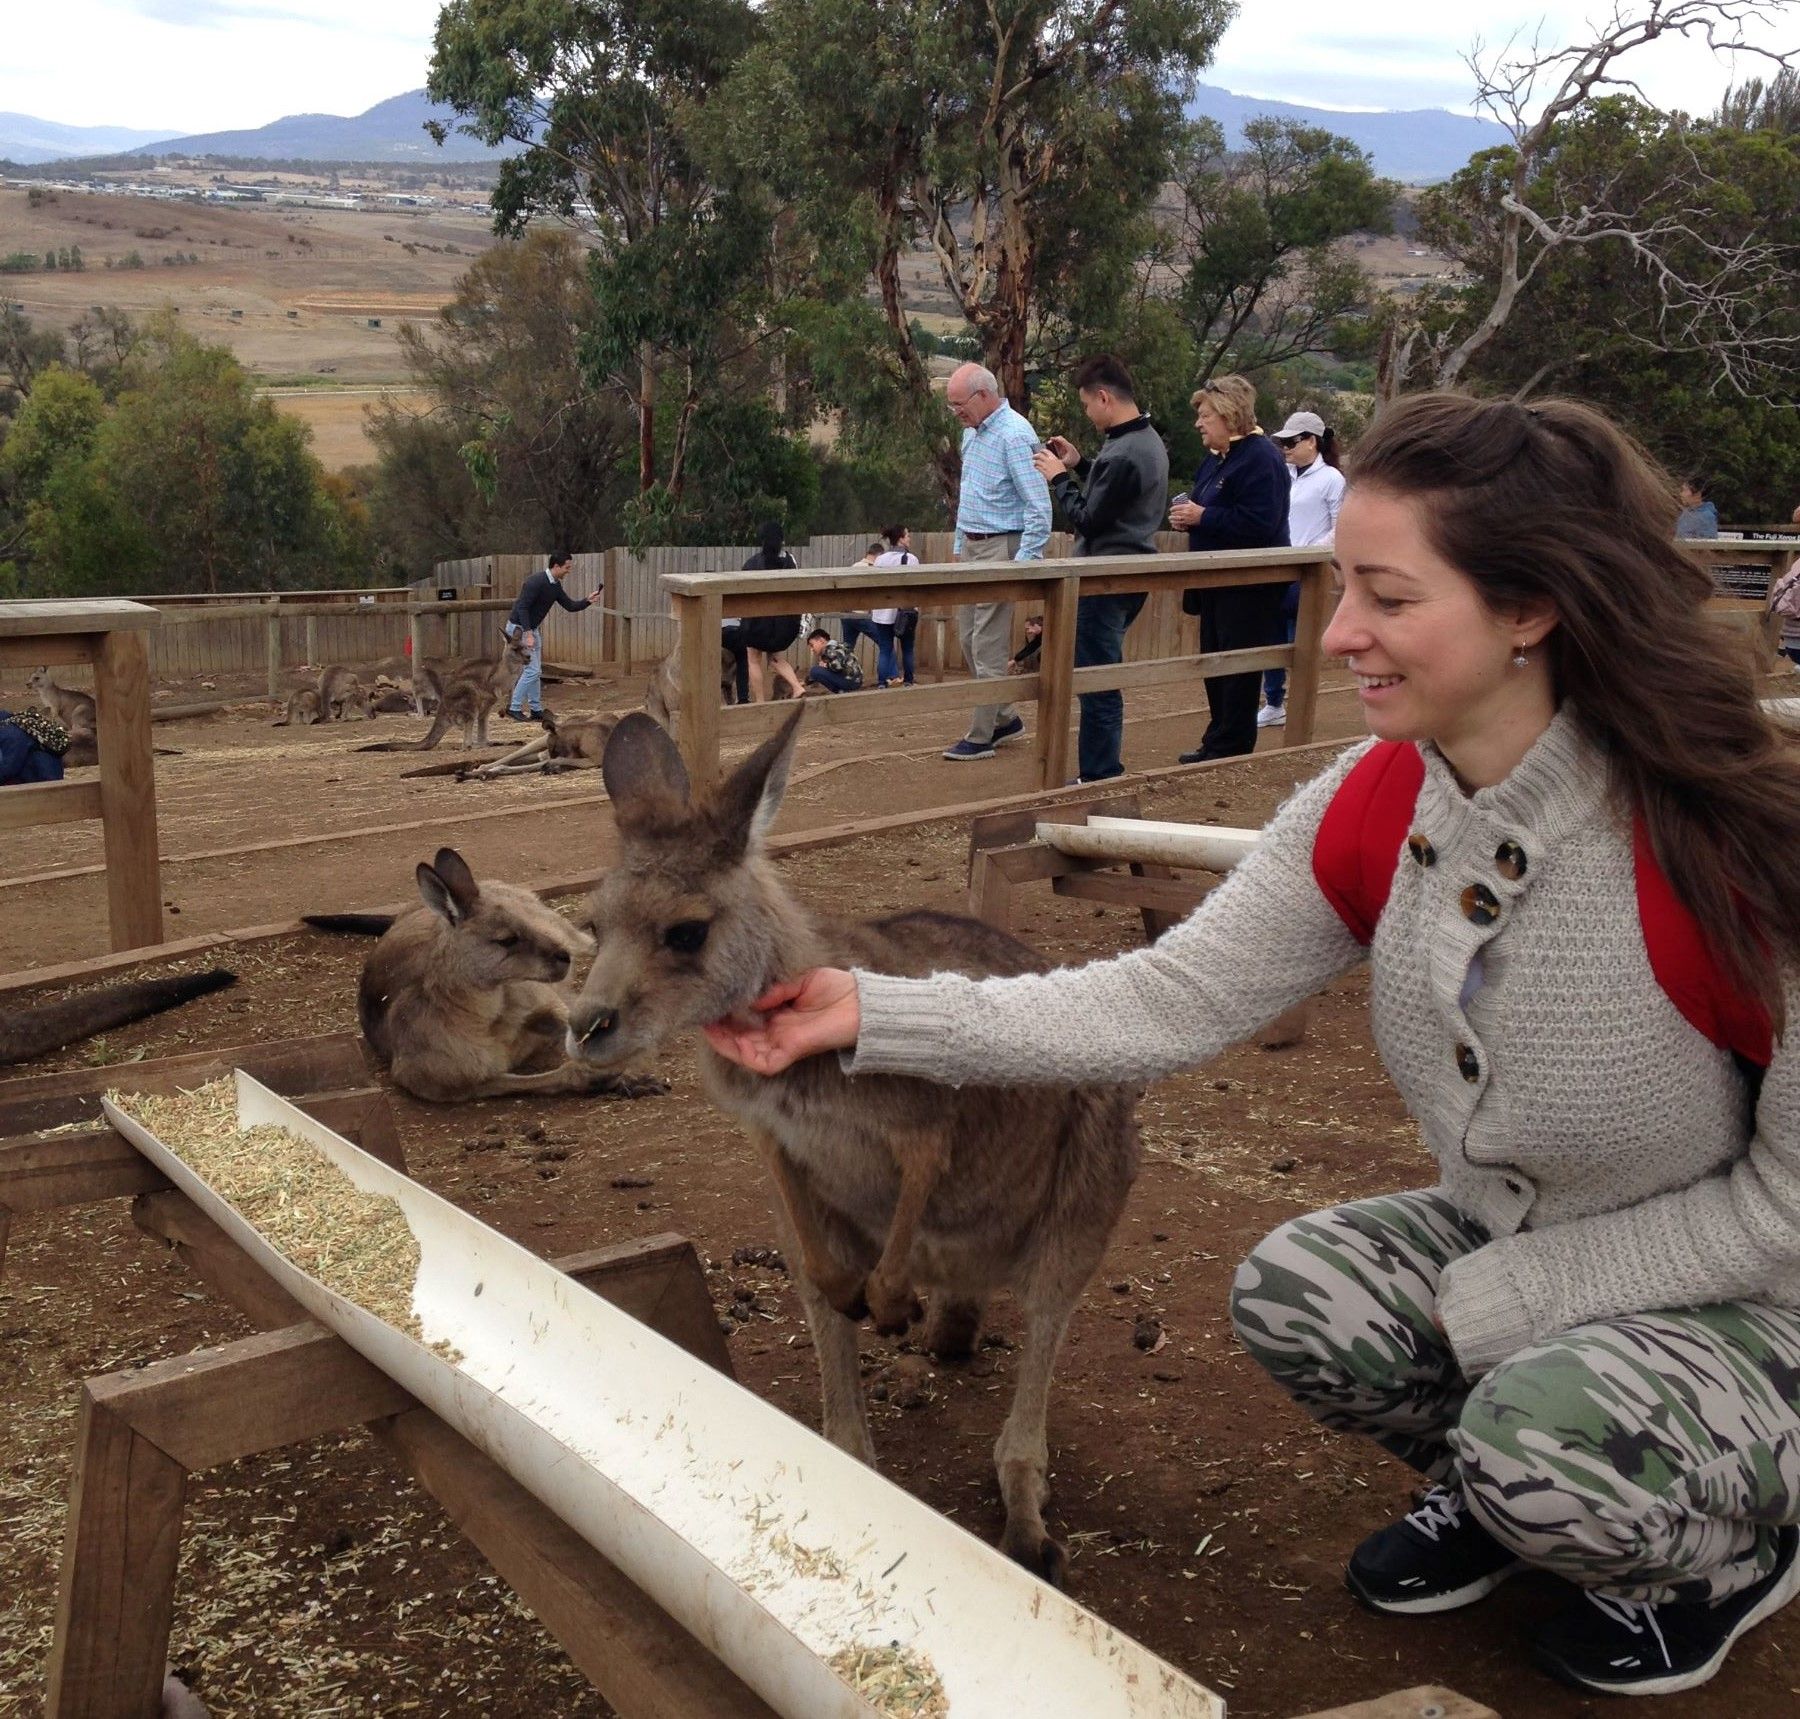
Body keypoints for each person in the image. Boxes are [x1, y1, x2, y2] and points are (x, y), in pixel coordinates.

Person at [705, 391, 1800, 1701]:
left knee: (1540, 1438)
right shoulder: (1381, 802)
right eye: (1345, 588)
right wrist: (876, 1010)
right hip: (1531, 1249)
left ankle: (1726, 1546)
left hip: (1743, 1289)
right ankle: (1515, 1485)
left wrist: (1511, 1307)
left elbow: (1785, 1211)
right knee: (1302, 1296)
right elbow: (1169, 996)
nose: (1340, 634)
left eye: (1389, 599)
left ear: (1528, 609)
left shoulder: (1729, 847)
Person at [1033, 354, 1170, 783]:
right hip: (1128, 573)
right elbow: (1115, 493)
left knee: (1097, 683)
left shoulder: (1125, 451)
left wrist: (1057, 478)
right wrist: (1081, 464)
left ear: (1104, 397)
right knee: (1100, 675)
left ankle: (1100, 773)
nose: (1088, 414)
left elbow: (1090, 517)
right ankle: (1099, 769)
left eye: (1087, 405)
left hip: (1103, 578)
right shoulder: (1146, 441)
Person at [1169, 375, 1291, 763]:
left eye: (1205, 415)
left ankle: (1232, 745)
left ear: (1228, 415)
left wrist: (1204, 516)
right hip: (1214, 582)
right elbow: (1213, 511)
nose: (1198, 423)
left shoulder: (1262, 457)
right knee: (1214, 662)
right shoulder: (1216, 458)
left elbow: (1261, 523)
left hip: (1248, 586)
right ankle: (1217, 739)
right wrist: (1189, 519)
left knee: (1237, 667)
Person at [942, 362, 1051, 761]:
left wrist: (1022, 563)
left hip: (1002, 547)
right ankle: (1005, 716)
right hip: (973, 546)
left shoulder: (1016, 434)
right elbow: (969, 494)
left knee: (987, 644)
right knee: (968, 636)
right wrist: (958, 546)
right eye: (951, 405)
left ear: (984, 395)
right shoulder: (972, 435)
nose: (956, 412)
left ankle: (981, 735)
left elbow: (1038, 504)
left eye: (959, 404)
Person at [1260, 410, 1346, 730]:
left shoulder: (1332, 480)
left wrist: (1307, 554)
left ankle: (1298, 701)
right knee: (1271, 633)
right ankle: (1272, 702)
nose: (1286, 448)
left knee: (1299, 638)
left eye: (1293, 442)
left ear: (1312, 441)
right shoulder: (1284, 474)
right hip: (1277, 565)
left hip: (1308, 571)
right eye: (1283, 442)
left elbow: (1340, 527)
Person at [504, 551, 601, 719]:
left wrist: (587, 600)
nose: (568, 571)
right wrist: (527, 633)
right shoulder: (535, 582)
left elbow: (570, 605)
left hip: (531, 629)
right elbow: (522, 608)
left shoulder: (555, 585)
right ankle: (514, 707)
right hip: (519, 630)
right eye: (567, 567)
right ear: (556, 566)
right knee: (532, 671)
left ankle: (536, 709)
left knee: (536, 670)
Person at [738, 521, 805, 703]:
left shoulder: (751, 564)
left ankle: (760, 701)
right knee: (775, 658)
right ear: (782, 540)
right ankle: (797, 687)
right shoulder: (790, 562)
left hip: (757, 624)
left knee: (753, 659)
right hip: (782, 625)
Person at [871, 525, 919, 688]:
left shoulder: (880, 560)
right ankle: (908, 681)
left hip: (882, 612)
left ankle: (881, 683)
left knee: (885, 649)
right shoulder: (911, 559)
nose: (909, 539)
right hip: (904, 611)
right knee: (907, 649)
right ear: (900, 539)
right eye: (907, 536)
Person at [840, 543, 886, 669]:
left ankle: (842, 675)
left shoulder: (854, 566)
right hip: (861, 614)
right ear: (879, 555)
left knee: (847, 648)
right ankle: (890, 675)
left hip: (846, 613)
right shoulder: (872, 569)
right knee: (885, 643)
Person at [804, 628, 865, 693]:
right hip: (855, 680)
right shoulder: (836, 647)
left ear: (821, 641)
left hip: (850, 681)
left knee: (815, 670)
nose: (812, 649)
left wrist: (826, 665)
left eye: (812, 645)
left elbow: (837, 667)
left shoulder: (830, 649)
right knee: (817, 671)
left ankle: (841, 691)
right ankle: (841, 691)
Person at [1677, 475, 1720, 539]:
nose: (1681, 494)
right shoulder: (1685, 514)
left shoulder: (1707, 517)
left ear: (1697, 494)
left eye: (1684, 490)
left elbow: (1706, 545)